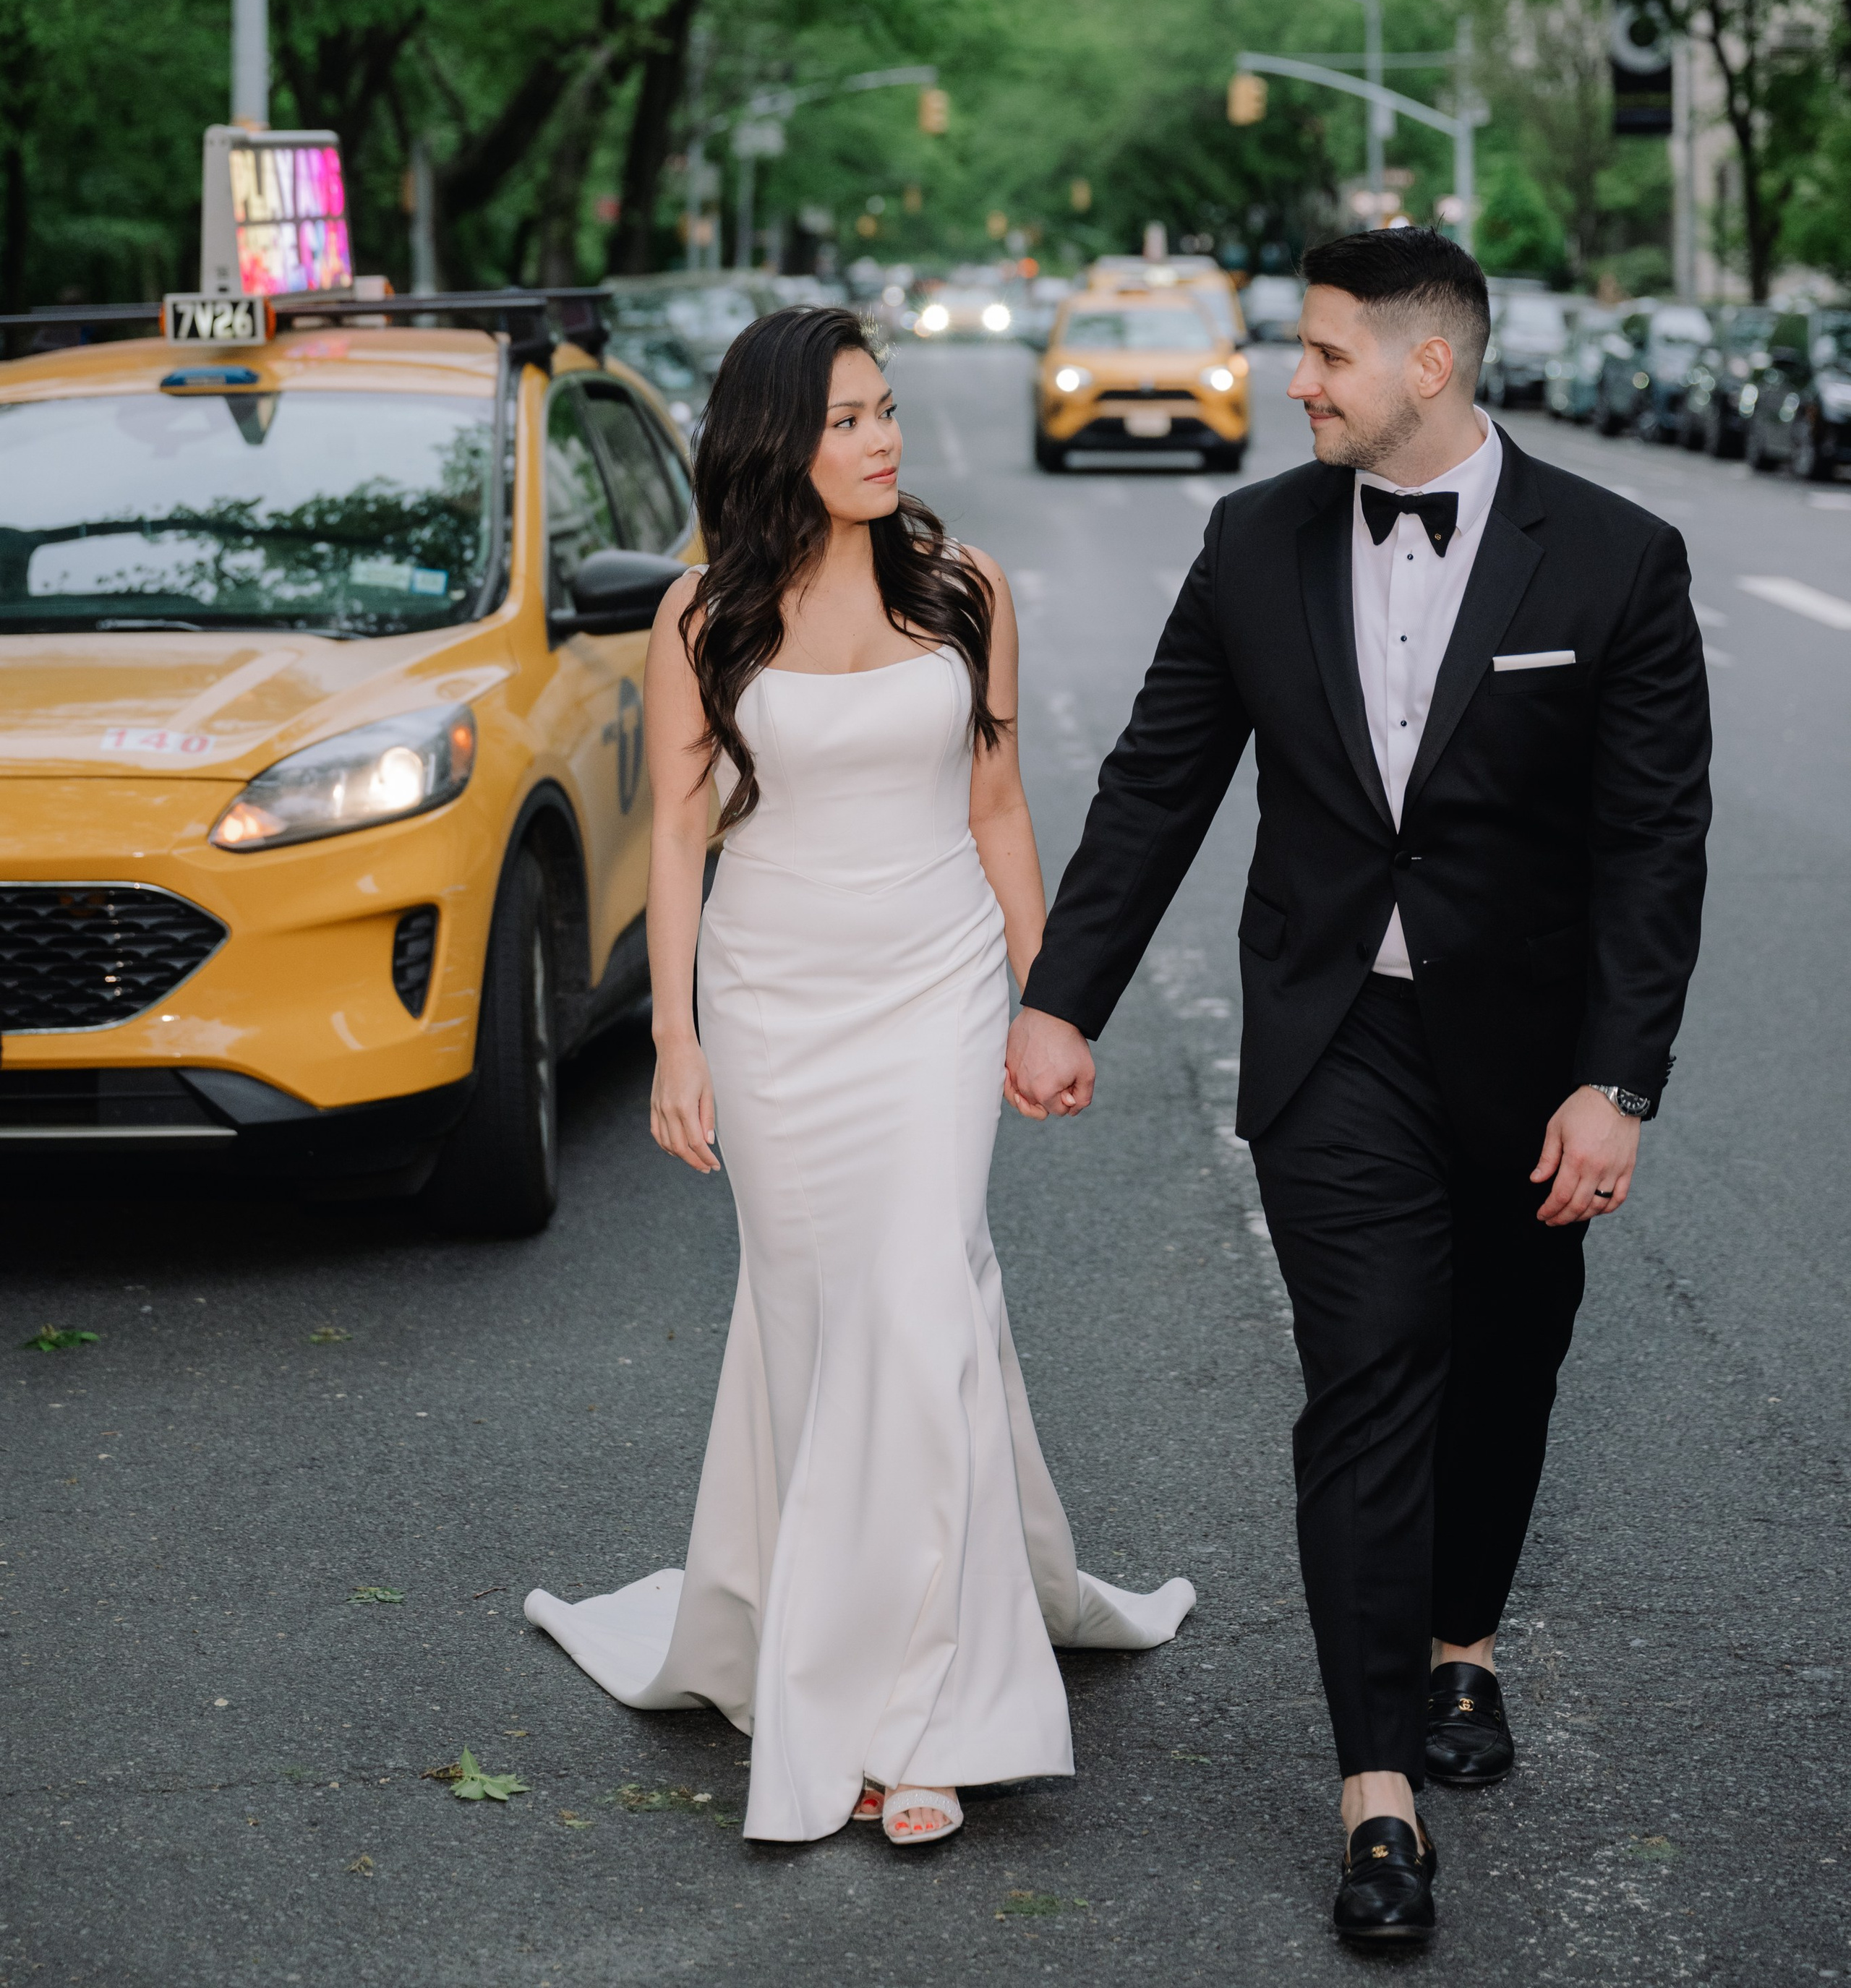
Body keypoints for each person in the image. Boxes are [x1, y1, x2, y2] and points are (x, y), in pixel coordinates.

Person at [1006, 229, 1710, 1942]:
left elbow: (1649, 849)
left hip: (1530, 1055)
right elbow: (1157, 781)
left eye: (1321, 355)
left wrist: (1615, 1085)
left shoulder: (1613, 560)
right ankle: (1375, 1792)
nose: (1293, 380)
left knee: (1504, 1363)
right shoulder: (1250, 543)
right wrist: (1059, 997)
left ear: (1426, 367)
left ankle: (1461, 1640)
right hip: (1335, 1042)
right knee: (1371, 1368)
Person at [526, 306, 1192, 1846]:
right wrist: (676, 1038)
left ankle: (924, 1718)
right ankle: (822, 1626)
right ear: (776, 441)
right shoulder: (701, 616)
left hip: (936, 992)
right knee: (826, 1318)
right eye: (844, 419)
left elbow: (1002, 810)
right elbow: (680, 834)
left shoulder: (964, 593)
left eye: (885, 410)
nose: (881, 438)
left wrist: (1052, 1001)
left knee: (910, 1297)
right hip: (768, 1003)